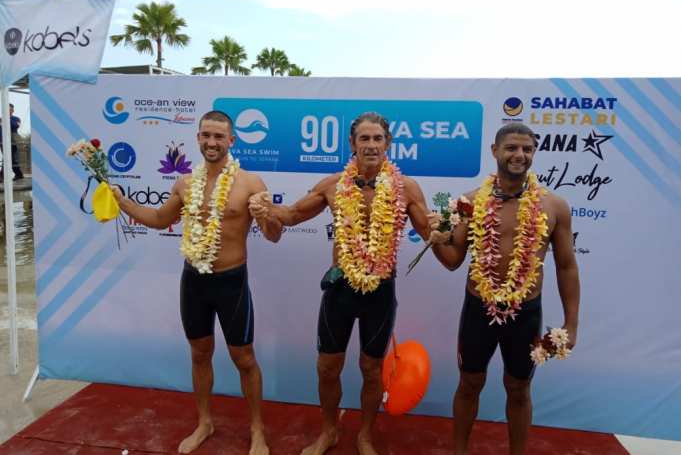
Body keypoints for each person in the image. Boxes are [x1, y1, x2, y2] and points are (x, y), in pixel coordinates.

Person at [249, 112, 431, 455]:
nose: (372, 145)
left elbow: (429, 232)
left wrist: (447, 224)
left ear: (388, 144)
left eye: (378, 139)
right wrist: (264, 208)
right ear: (352, 144)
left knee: (372, 369)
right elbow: (291, 216)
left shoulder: (407, 189)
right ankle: (329, 431)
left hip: (381, 290)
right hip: (340, 289)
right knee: (327, 367)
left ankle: (364, 435)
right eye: (365, 139)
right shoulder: (333, 184)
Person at [113, 110, 281, 455]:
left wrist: (268, 217)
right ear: (198, 138)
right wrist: (121, 201)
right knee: (200, 353)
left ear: (231, 141)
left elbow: (274, 235)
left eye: (219, 136)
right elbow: (160, 219)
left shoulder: (251, 183)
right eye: (206, 135)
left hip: (232, 282)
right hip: (193, 280)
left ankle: (257, 430)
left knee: (244, 358)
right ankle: (204, 422)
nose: (212, 142)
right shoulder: (186, 183)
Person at [428, 122, 580, 455]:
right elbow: (453, 260)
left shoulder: (554, 206)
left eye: (527, 149)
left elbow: (566, 266)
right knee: (469, 384)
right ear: (495, 151)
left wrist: (571, 323)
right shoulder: (467, 203)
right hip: (478, 309)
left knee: (519, 388)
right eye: (511, 148)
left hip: (525, 312)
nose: (519, 155)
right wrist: (436, 240)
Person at [0, 103, 24, 180]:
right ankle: (17, 174)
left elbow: (16, 126)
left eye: (9, 109)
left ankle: (3, 176)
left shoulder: (16, 118)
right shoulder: (1, 119)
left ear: (12, 110)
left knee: (11, 159)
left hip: (12, 142)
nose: (8, 110)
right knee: (8, 159)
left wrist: (7, 118)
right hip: (3, 141)